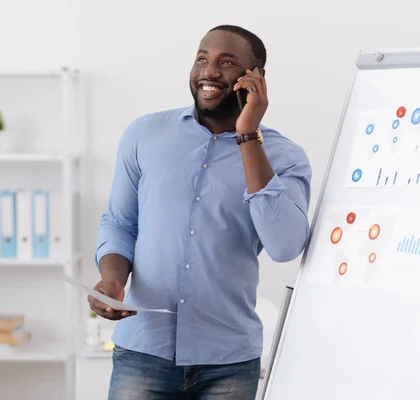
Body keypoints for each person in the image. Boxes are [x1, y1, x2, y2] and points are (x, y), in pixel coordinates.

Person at [89, 24, 312, 399]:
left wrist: (247, 136)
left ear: (254, 78)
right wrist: (112, 280)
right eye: (202, 59)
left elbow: (285, 246)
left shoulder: (285, 157)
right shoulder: (145, 134)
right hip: (144, 351)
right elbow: (120, 222)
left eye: (226, 62)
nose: (209, 72)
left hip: (228, 361)